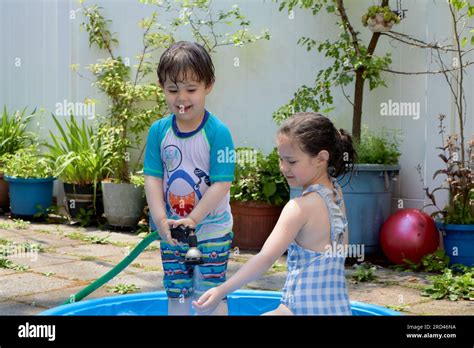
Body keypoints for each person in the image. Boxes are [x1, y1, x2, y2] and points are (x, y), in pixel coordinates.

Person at [193, 112, 357, 315]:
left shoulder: (298, 208)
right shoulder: (335, 193)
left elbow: (265, 258)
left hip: (301, 309)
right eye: (281, 159)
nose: (283, 167)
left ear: (321, 158)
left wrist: (221, 290)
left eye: (292, 161)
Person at [144, 41, 235, 315]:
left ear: (209, 85)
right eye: (173, 90)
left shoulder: (218, 132)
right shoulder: (159, 131)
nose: (181, 98)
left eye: (191, 89)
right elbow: (152, 179)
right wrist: (161, 221)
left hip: (213, 230)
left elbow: (222, 184)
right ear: (162, 88)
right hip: (172, 231)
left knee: (210, 292)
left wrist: (194, 219)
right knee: (177, 291)